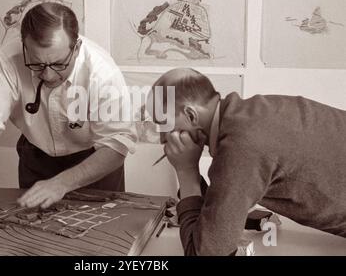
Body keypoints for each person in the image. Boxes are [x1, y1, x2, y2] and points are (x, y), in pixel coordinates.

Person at [0, 2, 137, 226]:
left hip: (94, 162)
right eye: (37, 64)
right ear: (24, 46)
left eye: (59, 64)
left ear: (76, 48)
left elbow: (117, 144)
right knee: (33, 235)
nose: (49, 76)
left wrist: (62, 182)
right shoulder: (9, 58)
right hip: (36, 156)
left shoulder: (102, 72)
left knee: (99, 239)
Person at [148, 68, 346, 255]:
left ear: (191, 115)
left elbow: (207, 252)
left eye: (164, 125)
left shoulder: (240, 146)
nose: (163, 139)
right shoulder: (251, 113)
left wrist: (186, 172)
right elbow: (215, 212)